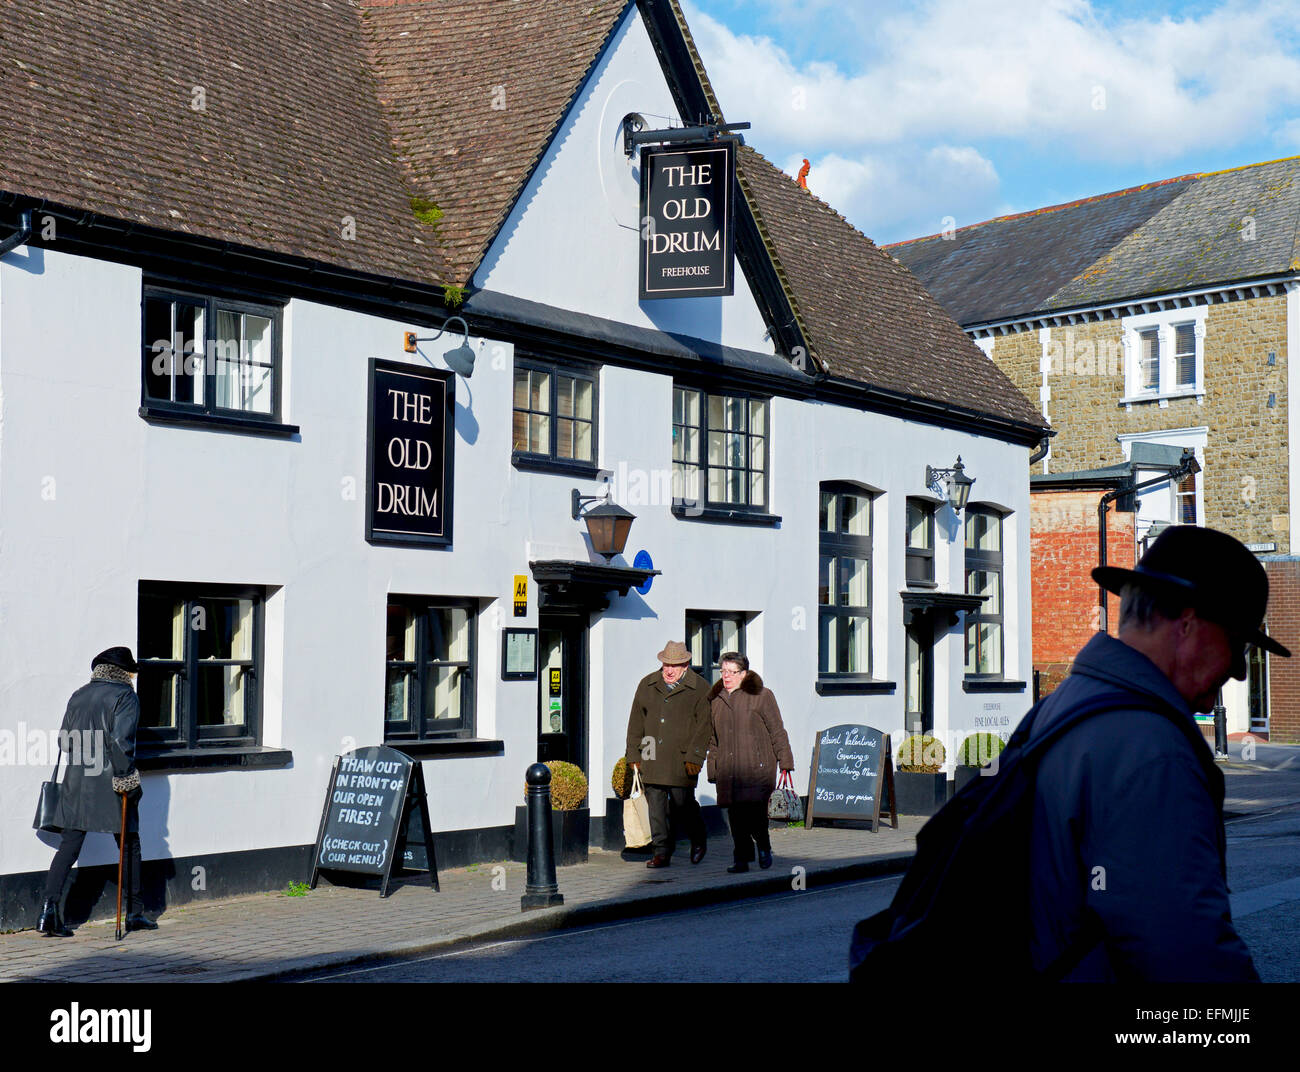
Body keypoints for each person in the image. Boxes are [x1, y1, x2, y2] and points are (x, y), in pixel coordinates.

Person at [1029, 525, 1286, 980]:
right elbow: (1187, 953)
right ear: (1188, 626)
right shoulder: (1151, 749)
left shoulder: (1062, 706)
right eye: (1237, 647)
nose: (1237, 674)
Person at [38, 646, 156, 937]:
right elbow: (120, 743)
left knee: (69, 846)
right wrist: (126, 778)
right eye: (131, 670)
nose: (133, 675)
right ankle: (135, 913)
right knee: (129, 844)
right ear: (124, 672)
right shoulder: (125, 696)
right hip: (110, 782)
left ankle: (48, 913)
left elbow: (64, 742)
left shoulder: (78, 695)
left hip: (77, 782)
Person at [625, 640, 712, 867]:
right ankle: (661, 851)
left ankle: (698, 838)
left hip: (682, 758)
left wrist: (695, 757)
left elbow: (704, 728)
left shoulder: (700, 688)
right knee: (655, 805)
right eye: (666, 665)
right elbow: (636, 722)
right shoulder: (647, 684)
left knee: (684, 804)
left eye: (675, 665)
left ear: (686, 665)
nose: (669, 670)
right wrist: (634, 755)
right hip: (652, 752)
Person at [706, 652, 794, 873]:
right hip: (729, 769)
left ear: (744, 674)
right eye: (723, 671)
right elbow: (713, 739)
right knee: (735, 818)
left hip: (757, 767)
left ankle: (764, 847)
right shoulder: (716, 700)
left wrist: (785, 761)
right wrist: (713, 767)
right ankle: (741, 859)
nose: (726, 676)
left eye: (732, 672)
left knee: (756, 815)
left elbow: (777, 730)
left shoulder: (762, 696)